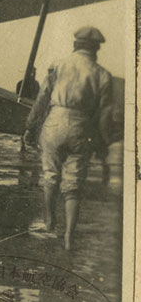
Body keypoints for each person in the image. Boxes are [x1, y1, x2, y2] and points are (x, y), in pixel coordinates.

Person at [22, 27, 113, 250]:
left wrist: (30, 127)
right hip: (83, 126)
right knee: (74, 183)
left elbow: (42, 99)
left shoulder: (58, 65)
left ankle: (50, 221)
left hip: (55, 120)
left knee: (51, 175)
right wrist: (103, 146)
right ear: (96, 49)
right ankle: (69, 236)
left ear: (75, 45)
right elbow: (105, 116)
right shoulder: (102, 74)